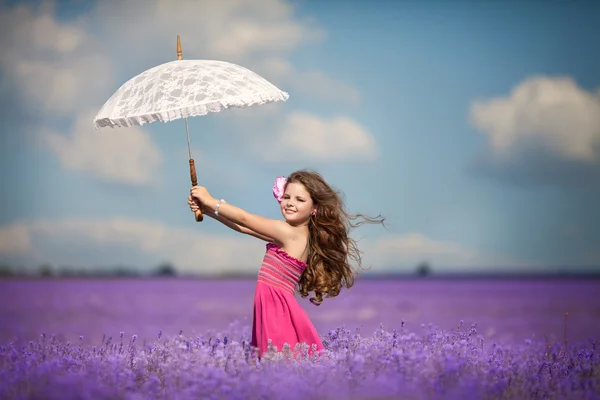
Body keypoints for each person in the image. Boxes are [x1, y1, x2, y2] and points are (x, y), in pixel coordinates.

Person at [188, 170, 384, 359]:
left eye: (300, 200)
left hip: (276, 312)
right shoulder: (294, 233)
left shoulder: (290, 233)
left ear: (314, 209)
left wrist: (210, 200)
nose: (290, 203)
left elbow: (244, 218)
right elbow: (244, 228)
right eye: (287, 197)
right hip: (274, 308)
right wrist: (207, 210)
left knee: (278, 369)